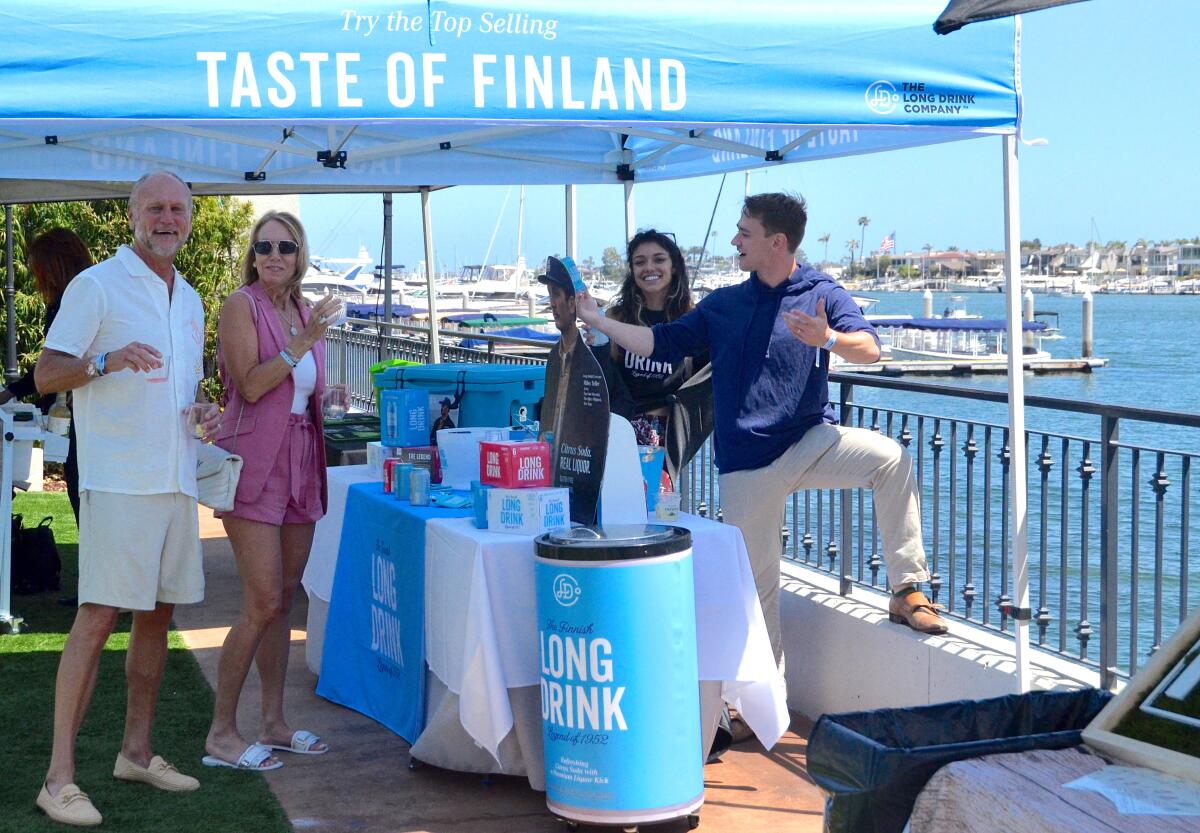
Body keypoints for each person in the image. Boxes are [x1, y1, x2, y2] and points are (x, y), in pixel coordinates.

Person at [577, 192, 947, 668]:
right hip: (747, 463)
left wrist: (828, 339)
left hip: (811, 440)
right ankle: (767, 700)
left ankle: (907, 589)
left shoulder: (822, 292)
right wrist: (596, 319)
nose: (734, 240)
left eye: (744, 232)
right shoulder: (724, 304)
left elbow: (871, 350)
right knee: (756, 590)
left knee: (891, 459)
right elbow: (657, 343)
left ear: (776, 242)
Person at [33, 171, 219, 827]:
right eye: (156, 207)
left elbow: (177, 392)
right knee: (98, 617)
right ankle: (57, 779)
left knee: (156, 617)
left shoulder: (190, 298)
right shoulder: (96, 285)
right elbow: (47, 372)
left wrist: (201, 411)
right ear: (133, 213)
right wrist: (106, 361)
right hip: (116, 482)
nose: (168, 218)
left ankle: (135, 751)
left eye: (178, 208)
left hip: (174, 481)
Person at [203, 210, 339, 773]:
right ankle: (220, 733)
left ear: (299, 253)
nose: (274, 255)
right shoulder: (243, 306)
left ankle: (274, 723)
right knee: (260, 602)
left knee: (284, 599)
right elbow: (252, 384)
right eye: (264, 247)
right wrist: (303, 343)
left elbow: (303, 392)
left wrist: (322, 392)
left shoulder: (303, 309)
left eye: (285, 245)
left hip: (302, 461)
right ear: (253, 255)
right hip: (256, 465)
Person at [1, 229, 93, 521]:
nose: (35, 275)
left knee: (84, 494)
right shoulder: (68, 298)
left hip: (83, 413)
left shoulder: (77, 299)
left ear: (55, 265)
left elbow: (54, 367)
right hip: (77, 412)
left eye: (38, 266)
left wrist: (14, 391)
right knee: (81, 492)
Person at [604, 228, 710, 452]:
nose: (649, 268)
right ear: (632, 271)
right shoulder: (616, 318)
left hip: (669, 431)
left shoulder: (692, 320)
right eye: (640, 262)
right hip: (619, 427)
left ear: (674, 266)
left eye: (659, 259)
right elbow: (605, 375)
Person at [536, 257, 610, 524]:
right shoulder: (553, 358)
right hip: (553, 487)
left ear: (572, 302)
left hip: (583, 487)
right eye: (549, 296)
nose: (552, 303)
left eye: (557, 295)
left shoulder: (590, 357)